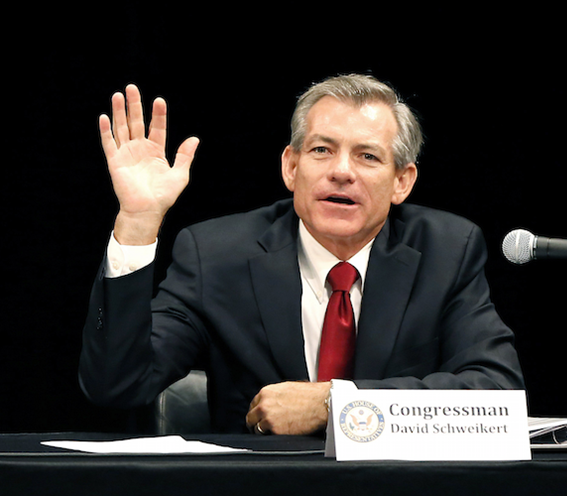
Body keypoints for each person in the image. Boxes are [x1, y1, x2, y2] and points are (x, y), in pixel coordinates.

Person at [79, 74, 524, 435]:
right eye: (321, 150)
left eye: (368, 156)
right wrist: (137, 223)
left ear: (401, 182)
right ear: (291, 167)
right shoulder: (216, 255)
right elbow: (117, 385)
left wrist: (333, 404)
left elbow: (497, 393)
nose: (341, 171)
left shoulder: (446, 251)